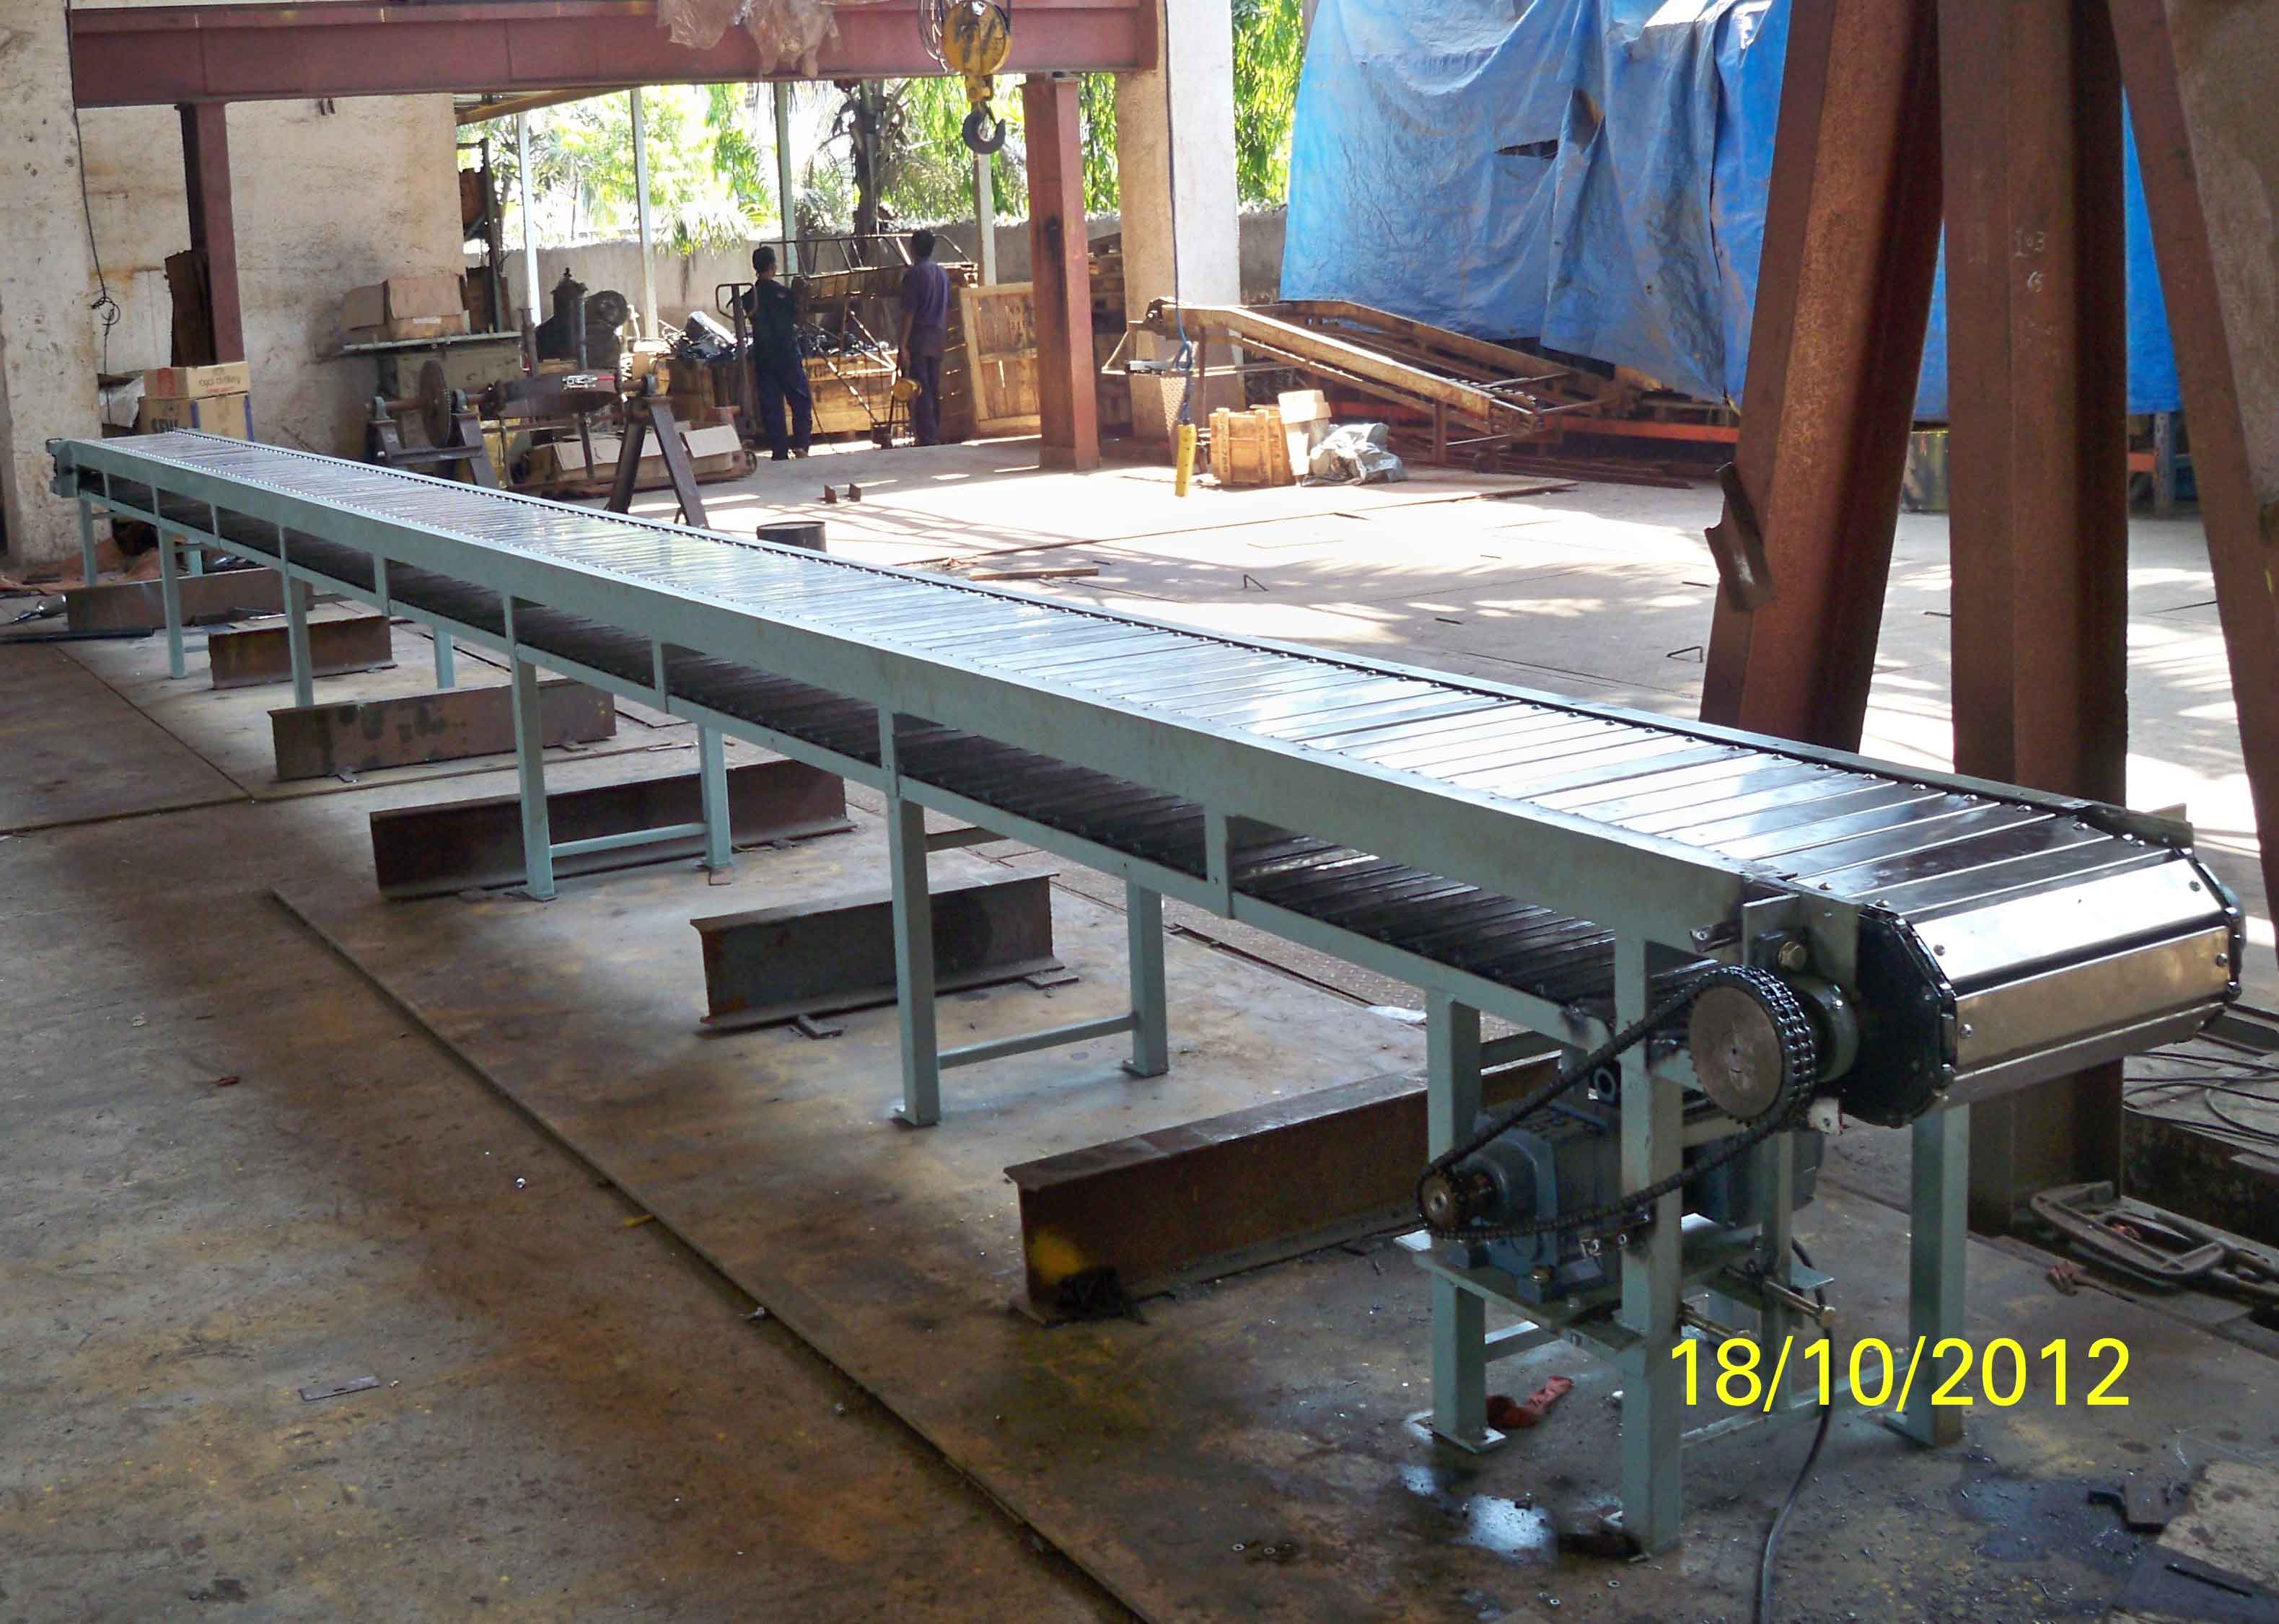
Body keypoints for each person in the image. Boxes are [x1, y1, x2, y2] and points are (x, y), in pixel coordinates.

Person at [741, 246, 811, 460]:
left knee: (772, 404)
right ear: (773, 266)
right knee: (800, 400)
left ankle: (779, 451)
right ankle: (800, 446)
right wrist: (801, 297)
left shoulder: (749, 298)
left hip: (764, 356)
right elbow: (798, 319)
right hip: (787, 354)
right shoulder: (785, 294)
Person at [897, 229, 952, 447]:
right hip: (937, 337)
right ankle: (934, 433)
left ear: (912, 249)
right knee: (933, 387)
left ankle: (928, 438)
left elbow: (909, 312)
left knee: (920, 389)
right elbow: (948, 308)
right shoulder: (942, 274)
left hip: (919, 339)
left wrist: (903, 345)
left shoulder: (914, 275)